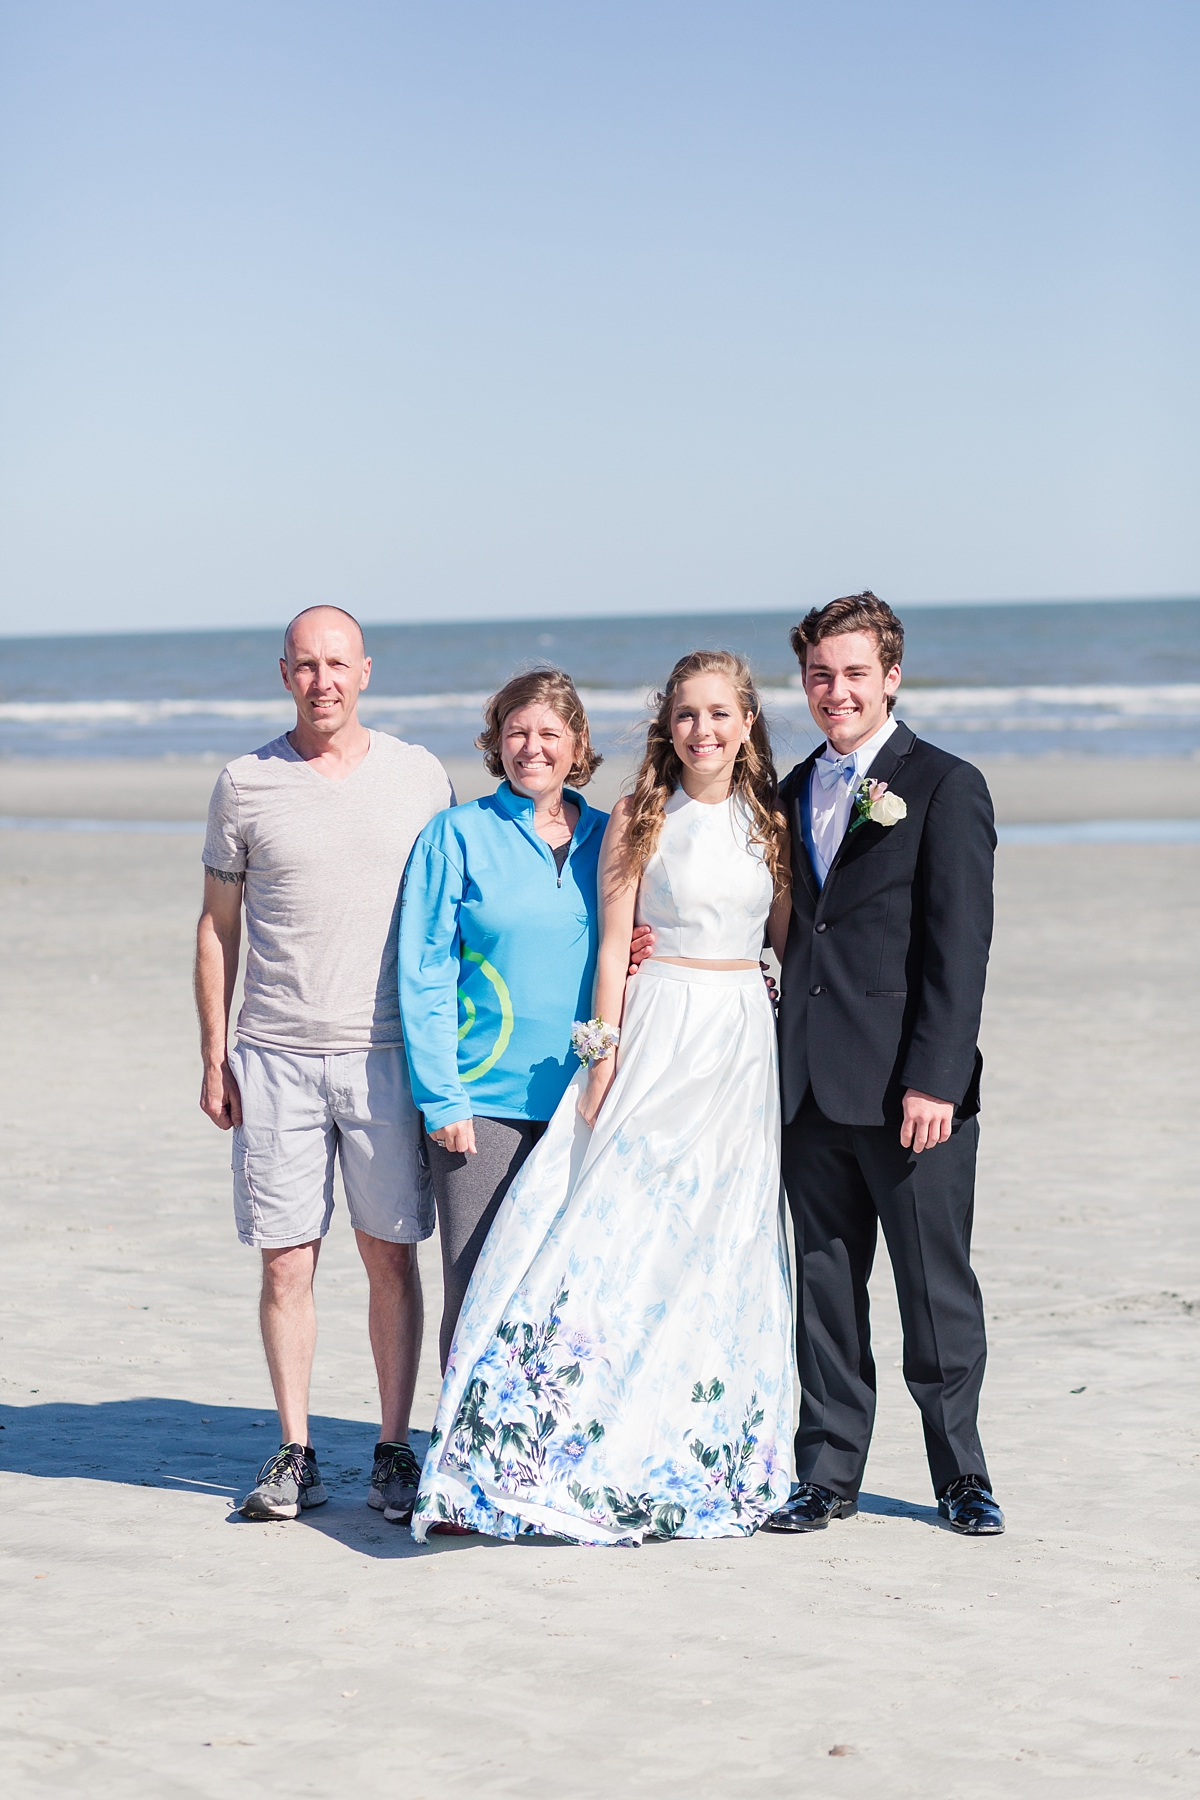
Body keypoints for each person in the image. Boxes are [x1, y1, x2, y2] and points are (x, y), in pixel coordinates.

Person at [412, 650, 796, 1544]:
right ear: (668, 724)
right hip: (658, 1029)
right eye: (687, 714)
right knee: (615, 1224)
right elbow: (617, 942)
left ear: (746, 725)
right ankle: (529, 1436)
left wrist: (769, 1001)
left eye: (719, 714)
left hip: (739, 1042)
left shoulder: (769, 822)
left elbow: (785, 941)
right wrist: (604, 1057)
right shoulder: (637, 814)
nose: (703, 730)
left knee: (721, 1239)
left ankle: (701, 1440)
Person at [195, 605, 451, 1525]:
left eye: (337, 663)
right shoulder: (245, 784)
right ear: (285, 673)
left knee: (390, 1254)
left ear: (366, 671)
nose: (323, 680)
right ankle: (297, 1452)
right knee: (285, 1262)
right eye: (306, 665)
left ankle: (393, 1450)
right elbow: (218, 928)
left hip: (389, 1057)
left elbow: (463, 907)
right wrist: (212, 1052)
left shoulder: (421, 777)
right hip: (273, 1057)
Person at [765, 591, 1004, 1537]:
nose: (837, 691)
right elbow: (778, 928)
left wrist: (937, 1079)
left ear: (891, 677)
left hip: (914, 1094)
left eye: (855, 673)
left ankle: (961, 1477)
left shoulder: (946, 785)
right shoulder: (787, 792)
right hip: (808, 1092)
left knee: (934, 1295)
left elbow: (961, 947)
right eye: (821, 675)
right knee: (824, 1292)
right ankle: (827, 1474)